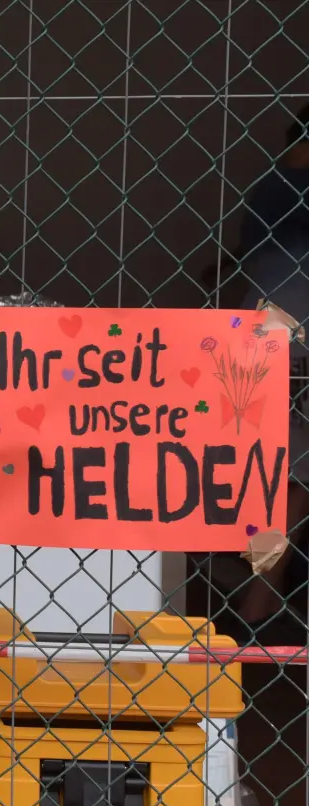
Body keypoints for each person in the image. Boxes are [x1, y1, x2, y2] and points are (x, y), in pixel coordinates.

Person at [234, 103, 309, 635]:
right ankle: (256, 605)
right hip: (295, 346)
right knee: (294, 477)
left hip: (262, 343)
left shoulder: (267, 188)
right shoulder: (294, 190)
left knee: (272, 467)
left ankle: (252, 590)